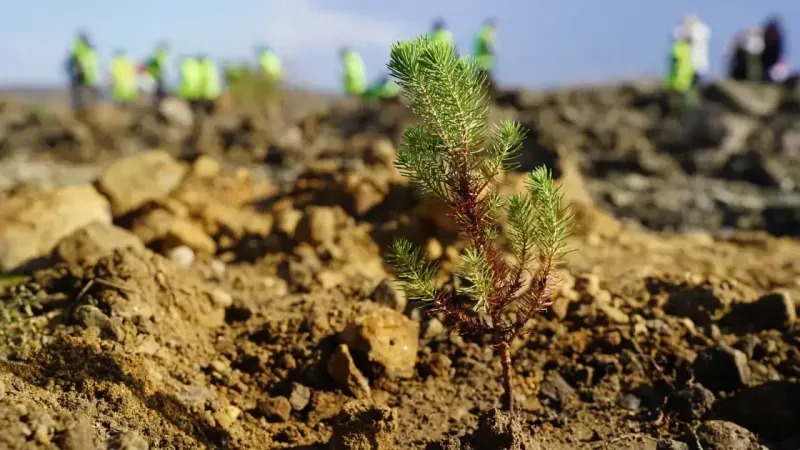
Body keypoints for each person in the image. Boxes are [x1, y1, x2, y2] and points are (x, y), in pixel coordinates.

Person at [673, 14, 710, 86]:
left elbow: (693, 38)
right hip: (685, 64)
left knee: (698, 81)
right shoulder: (681, 30)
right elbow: (677, 37)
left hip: (697, 63)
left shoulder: (701, 30)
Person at [66, 31, 99, 111]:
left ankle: (81, 108)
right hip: (87, 74)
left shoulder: (79, 47)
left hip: (82, 73)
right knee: (88, 92)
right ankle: (88, 107)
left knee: (79, 92)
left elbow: (74, 60)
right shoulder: (90, 48)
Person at [473, 18, 497, 93]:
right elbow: (486, 44)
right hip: (484, 62)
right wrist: (493, 51)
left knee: (479, 81)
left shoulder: (480, 31)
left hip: (479, 60)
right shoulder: (486, 32)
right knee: (487, 81)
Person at [761, 16, 785, 82]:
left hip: (768, 52)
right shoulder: (777, 32)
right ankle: (768, 79)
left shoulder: (768, 31)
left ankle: (766, 79)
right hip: (773, 53)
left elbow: (764, 40)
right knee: (770, 68)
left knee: (766, 68)